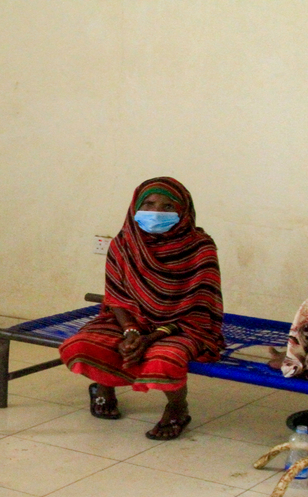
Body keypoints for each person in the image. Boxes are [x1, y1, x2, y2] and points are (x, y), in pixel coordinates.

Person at [59, 177, 224, 440]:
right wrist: (130, 331)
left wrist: (150, 338)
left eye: (167, 206)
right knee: (84, 345)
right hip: (128, 319)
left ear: (183, 211)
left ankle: (178, 407)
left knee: (164, 359)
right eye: (149, 204)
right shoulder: (123, 243)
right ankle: (104, 387)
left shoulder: (200, 247)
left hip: (182, 325)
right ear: (136, 207)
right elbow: (115, 296)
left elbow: (200, 307)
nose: (156, 212)